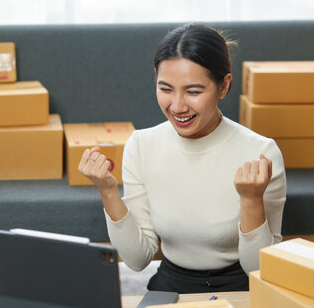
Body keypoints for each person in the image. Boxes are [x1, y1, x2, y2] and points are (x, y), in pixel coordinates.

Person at [78, 23, 286, 293]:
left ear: (224, 86)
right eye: (166, 89)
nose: (177, 106)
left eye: (193, 92)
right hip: (172, 282)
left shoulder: (261, 153)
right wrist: (107, 191)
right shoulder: (141, 145)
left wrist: (251, 200)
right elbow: (137, 259)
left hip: (241, 285)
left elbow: (259, 269)